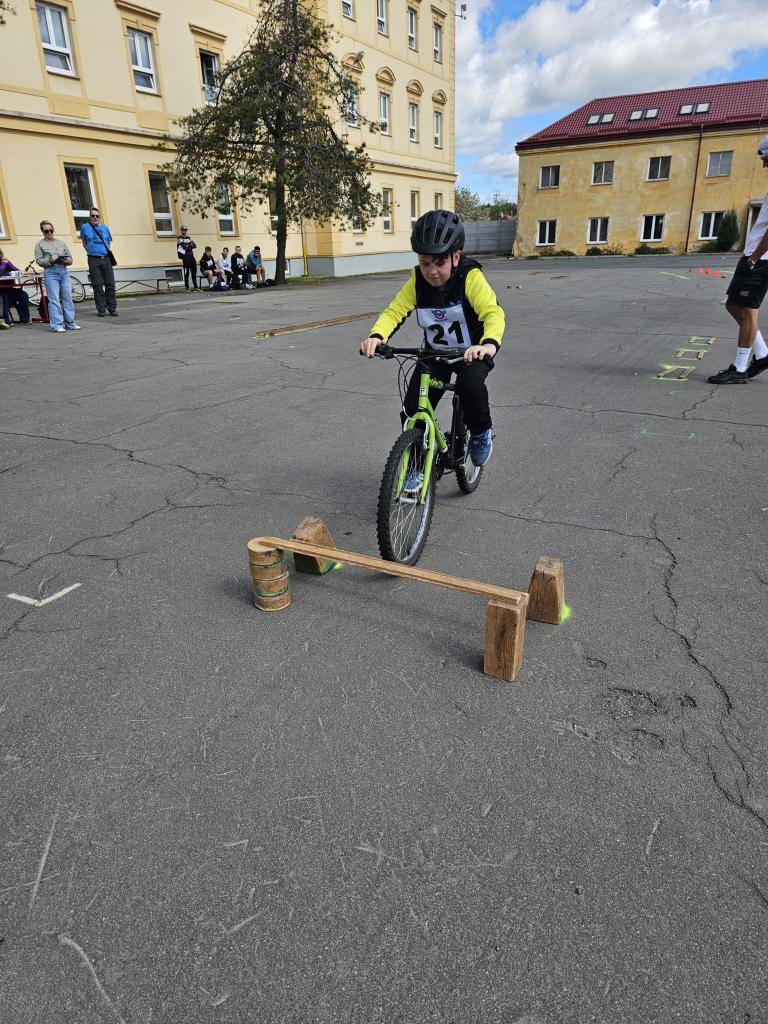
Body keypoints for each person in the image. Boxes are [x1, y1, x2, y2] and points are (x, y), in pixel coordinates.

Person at [360, 209, 504, 470]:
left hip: (472, 352)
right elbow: (395, 310)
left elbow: (492, 312)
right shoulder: (417, 281)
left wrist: (488, 344)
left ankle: (481, 434)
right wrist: (377, 336)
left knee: (470, 388)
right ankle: (416, 466)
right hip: (435, 353)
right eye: (425, 263)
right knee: (411, 410)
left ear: (456, 257)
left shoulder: (470, 277)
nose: (432, 271)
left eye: (440, 263)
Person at [708, 136, 768, 384]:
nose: (764, 166)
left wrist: (755, 256)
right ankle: (763, 353)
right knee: (733, 305)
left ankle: (740, 368)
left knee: (747, 310)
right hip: (753, 257)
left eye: (766, 160)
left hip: (760, 259)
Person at [33, 220, 81, 333]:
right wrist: (50, 259)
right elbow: (39, 261)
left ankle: (70, 323)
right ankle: (57, 324)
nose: (49, 233)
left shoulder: (61, 243)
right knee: (54, 299)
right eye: (46, 231)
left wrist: (68, 260)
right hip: (51, 272)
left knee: (67, 298)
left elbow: (70, 258)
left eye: (51, 230)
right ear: (42, 232)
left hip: (63, 271)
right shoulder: (39, 244)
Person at [78, 206, 117, 317]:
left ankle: (112, 308)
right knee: (97, 285)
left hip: (106, 259)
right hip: (93, 259)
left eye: (97, 216)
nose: (95, 218)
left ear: (100, 217)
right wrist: (91, 251)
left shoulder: (105, 228)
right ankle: (101, 309)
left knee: (110, 284)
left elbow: (108, 243)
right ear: (90, 217)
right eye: (93, 216)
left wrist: (103, 252)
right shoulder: (85, 227)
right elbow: (84, 243)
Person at [0, 250, 30, 326]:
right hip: (1, 289)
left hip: (10, 288)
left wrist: (9, 263)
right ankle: (5, 321)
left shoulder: (5, 262)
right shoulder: (3, 264)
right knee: (5, 297)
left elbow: (17, 271)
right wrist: (3, 265)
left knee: (23, 295)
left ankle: (24, 319)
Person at [176, 226, 198, 290]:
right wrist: (189, 245)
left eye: (186, 230)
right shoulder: (179, 238)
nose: (185, 231)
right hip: (185, 258)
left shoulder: (189, 238)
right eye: (183, 230)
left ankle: (195, 287)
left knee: (194, 272)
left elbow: (194, 245)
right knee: (186, 273)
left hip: (191, 257)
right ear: (181, 231)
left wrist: (188, 246)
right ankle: (187, 287)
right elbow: (184, 247)